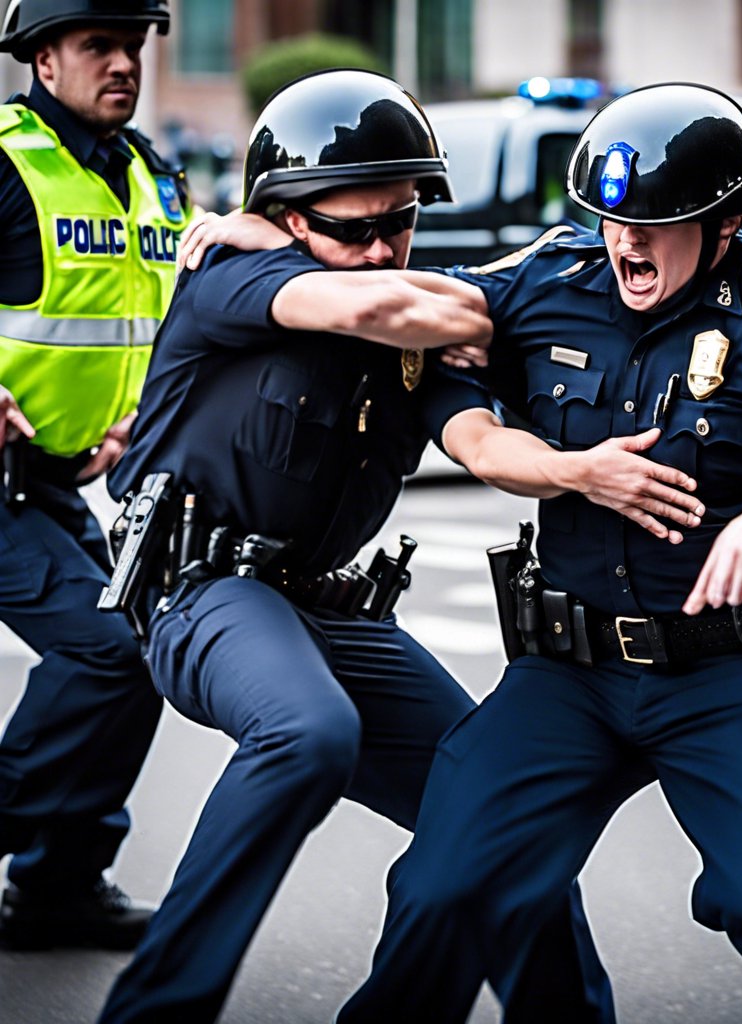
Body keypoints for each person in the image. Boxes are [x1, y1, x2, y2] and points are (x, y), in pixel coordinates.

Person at [325, 83, 742, 1022]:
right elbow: (418, 325)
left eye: (657, 221)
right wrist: (506, 444)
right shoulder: (553, 279)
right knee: (443, 893)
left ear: (726, 219)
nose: (626, 241)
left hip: (728, 673)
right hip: (565, 675)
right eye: (611, 215)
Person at [95, 68, 660, 1024]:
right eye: (352, 230)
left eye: (398, 224)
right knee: (308, 734)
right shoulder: (233, 274)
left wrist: (574, 469)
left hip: (324, 605)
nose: (381, 250)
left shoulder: (412, 335)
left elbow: (479, 439)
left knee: (496, 805)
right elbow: (381, 308)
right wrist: (456, 307)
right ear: (283, 218)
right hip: (200, 593)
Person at [0, 0, 190, 950]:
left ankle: (59, 885)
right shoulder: (6, 160)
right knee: (106, 652)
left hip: (53, 479)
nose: (123, 63)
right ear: (43, 59)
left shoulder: (154, 179)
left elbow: (176, 320)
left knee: (139, 649)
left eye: (134, 45)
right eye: (97, 47)